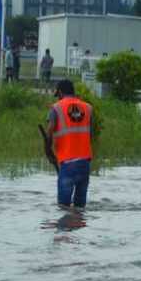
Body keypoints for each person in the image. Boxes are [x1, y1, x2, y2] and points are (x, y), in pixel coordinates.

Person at [46, 79, 94, 209]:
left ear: (60, 92)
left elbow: (49, 132)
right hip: (85, 163)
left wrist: (48, 151)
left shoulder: (56, 108)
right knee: (80, 208)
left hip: (67, 164)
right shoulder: (88, 108)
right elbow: (91, 135)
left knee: (63, 208)